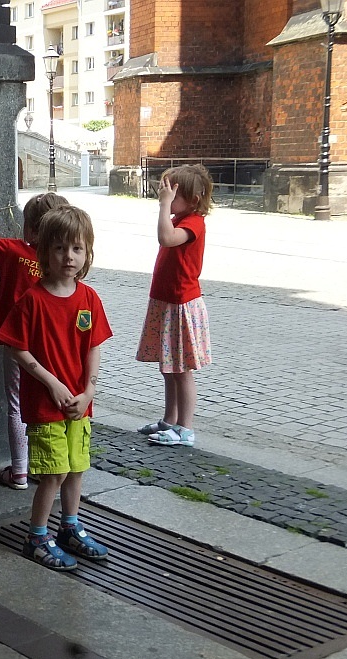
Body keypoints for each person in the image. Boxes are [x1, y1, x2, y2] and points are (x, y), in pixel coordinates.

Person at [0, 205, 112, 571]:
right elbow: (16, 348)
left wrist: (89, 391)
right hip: (46, 406)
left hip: (79, 404)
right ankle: (36, 536)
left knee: (76, 467)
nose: (69, 257)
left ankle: (70, 526)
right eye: (60, 248)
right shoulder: (32, 300)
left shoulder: (89, 298)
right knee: (53, 473)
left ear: (87, 252)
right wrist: (52, 383)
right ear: (44, 252)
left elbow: (94, 347)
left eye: (77, 248)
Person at [0, 193, 70, 490]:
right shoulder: (62, 261)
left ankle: (20, 470)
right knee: (48, 400)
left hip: (18, 342)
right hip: (52, 342)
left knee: (16, 402)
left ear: (32, 230)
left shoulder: (13, 251)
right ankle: (49, 465)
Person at [136, 164, 213, 448]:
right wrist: (168, 207)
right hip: (167, 302)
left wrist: (163, 206)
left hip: (182, 304)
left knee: (181, 371)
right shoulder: (179, 218)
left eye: (173, 193)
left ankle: (185, 428)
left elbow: (166, 239)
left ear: (193, 200)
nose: (166, 196)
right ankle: (170, 420)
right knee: (168, 368)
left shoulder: (193, 223)